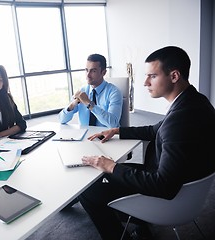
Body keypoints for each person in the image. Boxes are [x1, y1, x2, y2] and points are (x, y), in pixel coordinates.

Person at [78, 46, 215, 240]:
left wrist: (110, 166)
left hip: (170, 197)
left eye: (152, 76)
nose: (145, 82)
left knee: (89, 191)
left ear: (174, 76)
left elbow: (163, 186)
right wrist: (117, 130)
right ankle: (137, 223)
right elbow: (155, 129)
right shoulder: (193, 101)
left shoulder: (180, 121)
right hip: (186, 184)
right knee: (108, 172)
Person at [58, 53, 123, 128]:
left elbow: (113, 123)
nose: (88, 75)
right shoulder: (82, 91)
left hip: (106, 136)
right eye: (86, 70)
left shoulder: (114, 92)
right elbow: (61, 119)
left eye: (93, 71)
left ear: (103, 72)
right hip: (85, 136)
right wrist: (73, 104)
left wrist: (89, 103)